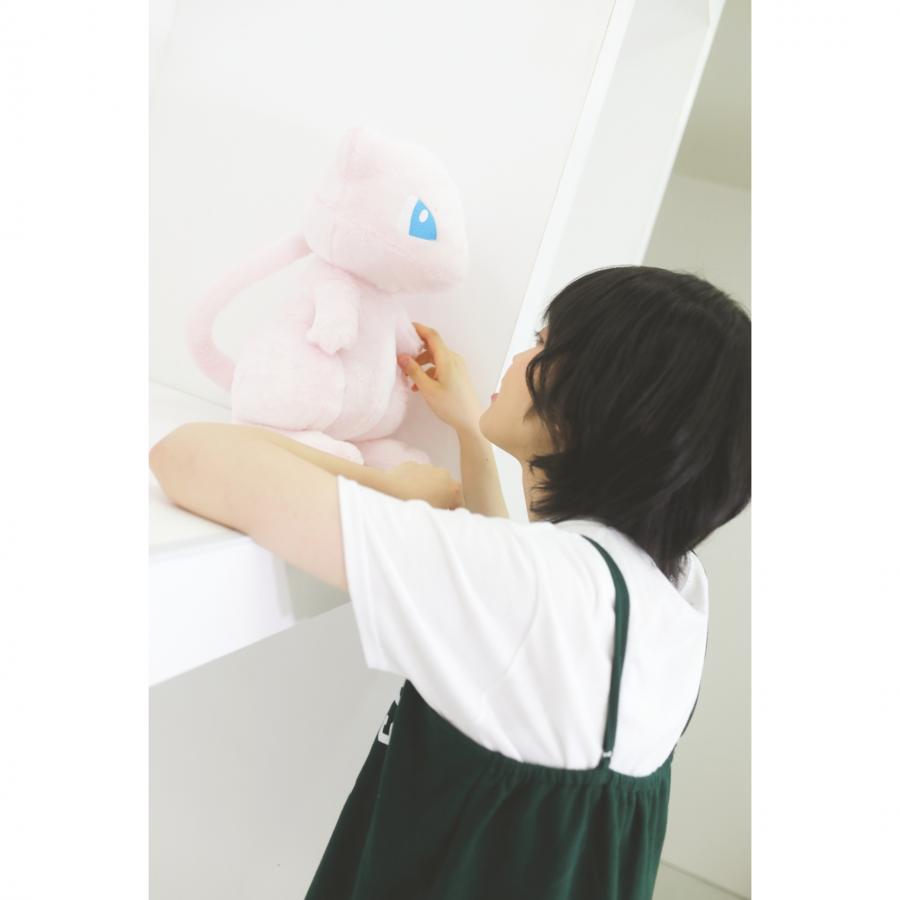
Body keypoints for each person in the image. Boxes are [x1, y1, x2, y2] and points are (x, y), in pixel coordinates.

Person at [150, 264, 751, 899]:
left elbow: (187, 455)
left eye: (542, 344)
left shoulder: (536, 589)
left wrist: (389, 487)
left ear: (598, 398)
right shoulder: (671, 588)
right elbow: (520, 635)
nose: (518, 357)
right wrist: (469, 430)